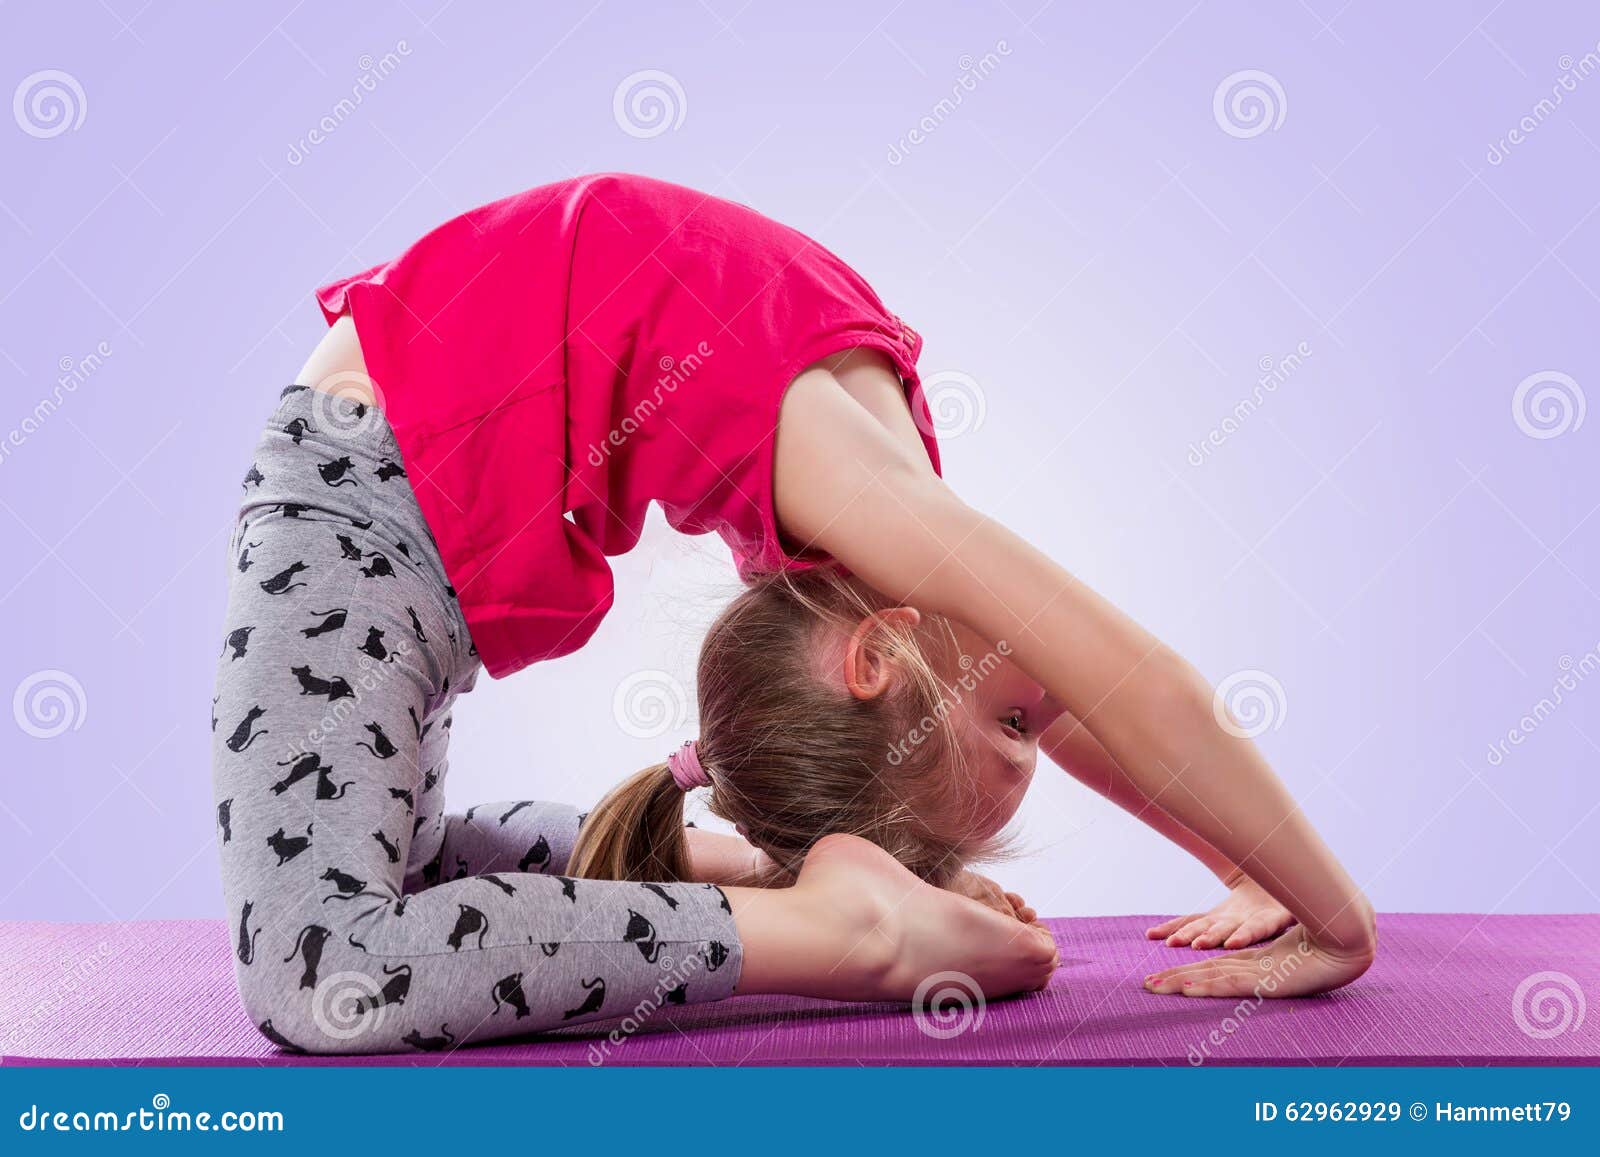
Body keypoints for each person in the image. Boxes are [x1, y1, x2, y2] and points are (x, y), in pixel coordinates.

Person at [211, 173, 1371, 1055]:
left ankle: (791, 881)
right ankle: (842, 930)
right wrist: (1332, 919)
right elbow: (1133, 683)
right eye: (1018, 730)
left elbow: (1074, 688)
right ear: (873, 659)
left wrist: (1246, 868)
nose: (1042, 709)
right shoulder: (875, 501)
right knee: (326, 966)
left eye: (1019, 727)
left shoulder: (866, 531)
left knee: (400, 891)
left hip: (367, 500)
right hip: (364, 502)